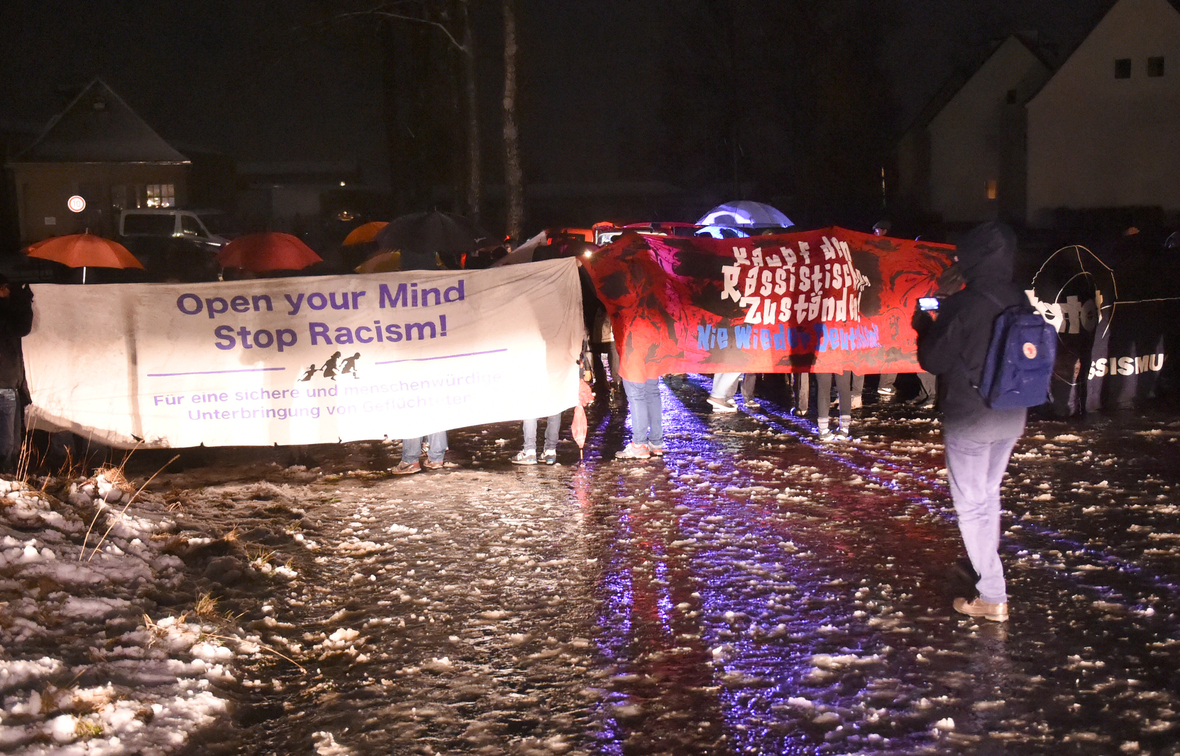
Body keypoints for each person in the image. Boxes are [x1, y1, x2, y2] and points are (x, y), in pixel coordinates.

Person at [914, 221, 1027, 622]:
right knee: (988, 496)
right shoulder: (1018, 298)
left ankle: (993, 595)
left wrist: (925, 325)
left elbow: (933, 360)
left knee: (971, 507)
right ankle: (986, 579)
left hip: (971, 417)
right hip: (1013, 413)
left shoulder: (963, 304)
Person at [0, 275, 34, 475]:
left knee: (11, 440)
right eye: (5, 288)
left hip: (9, 383)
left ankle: (9, 476)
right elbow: (21, 327)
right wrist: (22, 301)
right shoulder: (4, 314)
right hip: (4, 384)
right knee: (7, 441)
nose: (9, 291)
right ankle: (5, 477)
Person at [618, 377, 663, 459]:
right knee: (653, 392)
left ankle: (639, 444)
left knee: (636, 394)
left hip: (635, 364)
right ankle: (656, 442)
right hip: (652, 363)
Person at [815, 370, 853, 440]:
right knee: (844, 386)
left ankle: (823, 429)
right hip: (843, 359)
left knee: (823, 387)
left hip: (824, 360)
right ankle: (844, 428)